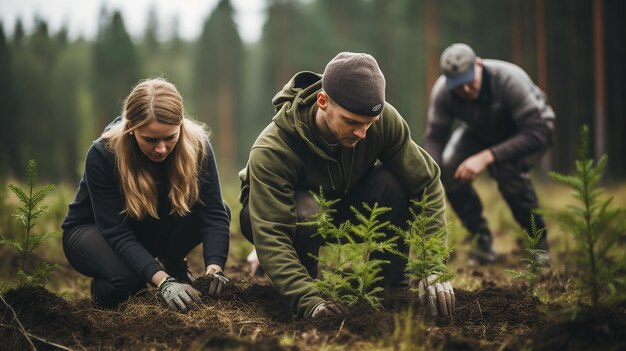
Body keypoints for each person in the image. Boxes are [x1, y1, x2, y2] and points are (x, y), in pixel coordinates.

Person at [239, 52, 454, 319]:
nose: (362, 134)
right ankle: (304, 293)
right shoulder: (273, 148)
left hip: (342, 206)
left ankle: (389, 289)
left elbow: (427, 183)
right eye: (351, 122)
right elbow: (271, 234)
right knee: (306, 209)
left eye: (369, 124)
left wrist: (432, 267)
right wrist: (310, 302)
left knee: (394, 183)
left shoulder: (385, 121)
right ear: (322, 101)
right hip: (274, 217)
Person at [62, 78, 231, 312]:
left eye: (170, 137)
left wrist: (215, 270)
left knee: (220, 208)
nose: (161, 148)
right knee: (128, 283)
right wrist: (164, 282)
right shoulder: (103, 154)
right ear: (131, 127)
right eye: (150, 140)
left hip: (144, 223)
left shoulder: (198, 145)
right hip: (94, 230)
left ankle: (172, 265)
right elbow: (116, 231)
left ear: (180, 124)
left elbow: (214, 213)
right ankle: (112, 279)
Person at [423, 43, 555, 264]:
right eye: (458, 86)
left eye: (468, 81)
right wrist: (429, 174)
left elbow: (536, 132)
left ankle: (539, 247)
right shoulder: (443, 91)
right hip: (481, 131)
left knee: (506, 169)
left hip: (530, 131)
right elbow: (435, 137)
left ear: (479, 65)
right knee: (448, 166)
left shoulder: (509, 80)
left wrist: (487, 156)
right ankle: (482, 242)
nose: (465, 90)